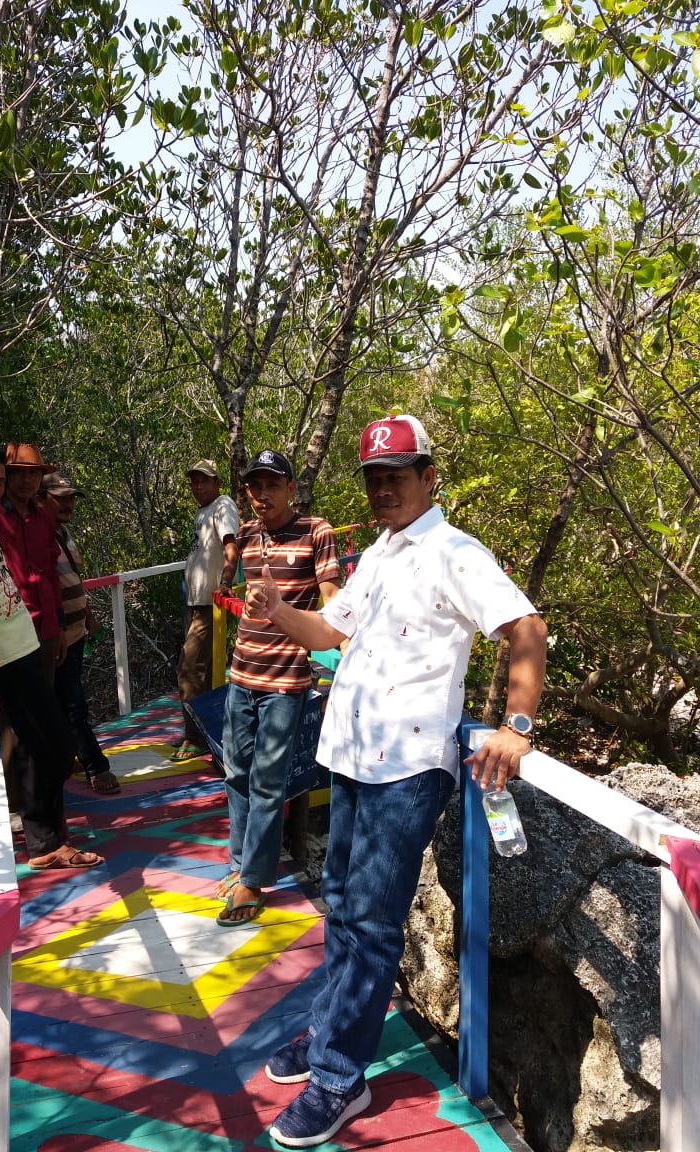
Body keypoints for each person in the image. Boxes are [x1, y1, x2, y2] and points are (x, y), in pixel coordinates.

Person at [249, 414, 547, 1147]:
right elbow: (332, 632)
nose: (384, 488)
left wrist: (517, 728)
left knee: (375, 925)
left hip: (408, 771)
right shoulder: (379, 553)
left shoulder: (454, 552)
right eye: (375, 477)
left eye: (398, 475)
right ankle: (328, 1029)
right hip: (351, 757)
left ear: (428, 477)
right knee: (345, 908)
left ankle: (338, 1078)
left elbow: (526, 629)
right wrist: (281, 611)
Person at [0, 447, 102, 870]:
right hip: (3, 654)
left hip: (26, 641)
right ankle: (45, 838)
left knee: (37, 747)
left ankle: (47, 842)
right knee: (59, 747)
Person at [216, 449, 341, 928]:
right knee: (236, 776)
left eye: (272, 484)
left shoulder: (316, 532)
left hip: (286, 681)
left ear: (291, 488)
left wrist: (346, 654)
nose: (262, 494)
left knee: (268, 783)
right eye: (255, 486)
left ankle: (252, 878)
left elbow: (334, 605)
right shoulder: (247, 536)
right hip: (241, 675)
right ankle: (238, 865)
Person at [38, 471, 120, 795]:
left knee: (65, 701)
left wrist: (89, 616)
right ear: (42, 499)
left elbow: (69, 579)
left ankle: (67, 757)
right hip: (56, 635)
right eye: (62, 498)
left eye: (72, 498)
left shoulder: (61, 532)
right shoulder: (38, 535)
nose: (69, 504)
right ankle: (95, 766)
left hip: (74, 631)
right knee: (72, 704)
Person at [171, 459, 240, 762]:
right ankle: (202, 732)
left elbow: (231, 547)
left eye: (204, 481)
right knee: (203, 671)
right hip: (196, 602)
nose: (198, 486)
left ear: (217, 483)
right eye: (194, 481)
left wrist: (226, 581)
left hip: (210, 603)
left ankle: (196, 737)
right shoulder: (202, 512)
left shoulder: (223, 504)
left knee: (189, 670)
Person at [0, 442, 64, 684]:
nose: (26, 479)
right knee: (9, 713)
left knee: (43, 705)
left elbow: (52, 573)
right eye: (19, 472)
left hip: (47, 628)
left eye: (33, 472)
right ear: (6, 475)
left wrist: (59, 627)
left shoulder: (44, 517)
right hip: (8, 631)